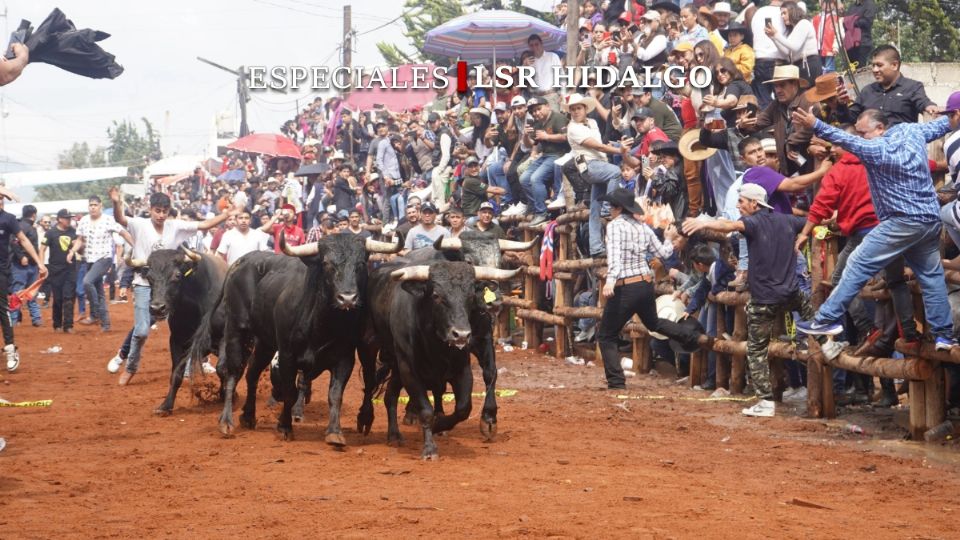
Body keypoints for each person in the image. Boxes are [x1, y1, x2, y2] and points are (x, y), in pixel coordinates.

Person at [791, 101, 960, 351]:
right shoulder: (911, 131)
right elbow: (944, 125)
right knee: (931, 277)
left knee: (857, 262)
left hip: (901, 221)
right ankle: (944, 336)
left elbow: (845, 140)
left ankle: (827, 319)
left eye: (863, 132)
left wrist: (815, 124)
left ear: (880, 128)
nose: (860, 137)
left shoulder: (876, 149)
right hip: (928, 220)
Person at [682, 184, 812, 417]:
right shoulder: (788, 221)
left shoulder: (753, 223)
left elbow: (729, 225)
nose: (738, 205)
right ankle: (829, 343)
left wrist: (703, 223)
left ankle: (765, 402)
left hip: (764, 300)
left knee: (756, 350)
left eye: (741, 201)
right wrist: (806, 234)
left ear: (755, 203)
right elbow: (814, 220)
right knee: (814, 317)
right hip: (791, 293)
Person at [106, 189, 236, 385]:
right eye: (157, 210)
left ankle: (192, 363)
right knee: (142, 330)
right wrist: (116, 202)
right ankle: (130, 365)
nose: (161, 215)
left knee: (190, 323)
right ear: (150, 210)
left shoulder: (175, 226)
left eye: (164, 211)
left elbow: (204, 224)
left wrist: (226, 214)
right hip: (146, 282)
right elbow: (121, 218)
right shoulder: (139, 224)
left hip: (171, 286)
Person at [597, 188, 696, 390]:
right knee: (654, 323)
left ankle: (616, 382)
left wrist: (610, 281)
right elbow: (663, 252)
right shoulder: (642, 227)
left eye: (611, 206)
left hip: (626, 285)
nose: (610, 210)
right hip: (644, 285)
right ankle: (692, 337)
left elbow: (614, 257)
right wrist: (668, 238)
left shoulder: (615, 226)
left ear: (617, 208)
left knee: (606, 335)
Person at [0, 185, 48, 372]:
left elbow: (25, 240)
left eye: (2, 198)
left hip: (2, 271)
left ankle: (10, 348)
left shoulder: (8, 220)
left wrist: (40, 263)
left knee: (2, 309)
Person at [72, 195, 134, 332]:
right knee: (99, 291)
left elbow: (123, 233)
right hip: (89, 259)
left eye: (95, 205)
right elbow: (80, 240)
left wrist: (136, 247)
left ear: (100, 206)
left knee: (87, 281)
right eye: (90, 205)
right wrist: (72, 251)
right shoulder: (83, 221)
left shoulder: (108, 220)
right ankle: (105, 324)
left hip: (104, 258)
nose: (92, 207)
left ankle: (95, 314)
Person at [838, 45, 938, 127]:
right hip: (870, 147)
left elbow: (922, 102)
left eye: (879, 65)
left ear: (894, 65)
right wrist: (840, 105)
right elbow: (850, 120)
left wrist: (929, 106)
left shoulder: (912, 87)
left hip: (900, 146)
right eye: (873, 65)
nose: (874, 70)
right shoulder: (867, 91)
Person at [519, 97, 570, 225]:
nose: (536, 113)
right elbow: (532, 144)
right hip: (545, 155)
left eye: (538, 109)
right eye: (533, 111)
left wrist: (547, 137)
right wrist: (525, 135)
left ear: (547, 106)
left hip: (559, 154)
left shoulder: (558, 118)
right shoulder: (537, 123)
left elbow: (567, 136)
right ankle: (540, 206)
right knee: (524, 178)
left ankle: (542, 213)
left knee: (535, 178)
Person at [766, 0, 822, 86]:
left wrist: (776, 34)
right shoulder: (794, 29)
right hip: (800, 66)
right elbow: (786, 52)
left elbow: (795, 46)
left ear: (792, 11)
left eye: (784, 13)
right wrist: (773, 38)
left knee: (809, 95)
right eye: (781, 14)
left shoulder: (803, 23)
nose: (782, 16)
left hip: (809, 64)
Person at [39, 209, 78, 334]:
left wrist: (77, 246)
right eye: (67, 218)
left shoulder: (74, 231)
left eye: (70, 218)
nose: (69, 220)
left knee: (69, 297)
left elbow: (80, 247)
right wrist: (41, 265)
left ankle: (68, 325)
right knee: (57, 298)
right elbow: (42, 249)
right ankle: (57, 324)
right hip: (55, 270)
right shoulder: (51, 233)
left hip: (70, 269)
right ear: (60, 219)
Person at [749, 0, 786, 108]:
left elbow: (754, 33)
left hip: (760, 60)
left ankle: (768, 124)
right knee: (784, 101)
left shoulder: (758, 12)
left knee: (764, 102)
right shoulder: (783, 13)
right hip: (779, 60)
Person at [10, 205, 42, 327]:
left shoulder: (24, 226)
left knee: (30, 291)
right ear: (34, 214)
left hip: (31, 264)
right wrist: (21, 256)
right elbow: (14, 242)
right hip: (21, 265)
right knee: (19, 291)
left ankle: (35, 318)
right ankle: (14, 319)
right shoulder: (23, 226)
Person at [527, 34, 563, 112]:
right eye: (531, 45)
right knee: (540, 123)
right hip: (536, 97)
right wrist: (524, 66)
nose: (534, 47)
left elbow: (562, 76)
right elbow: (525, 83)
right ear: (529, 47)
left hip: (552, 95)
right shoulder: (529, 62)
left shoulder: (553, 56)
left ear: (541, 43)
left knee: (554, 122)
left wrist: (563, 94)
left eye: (536, 44)